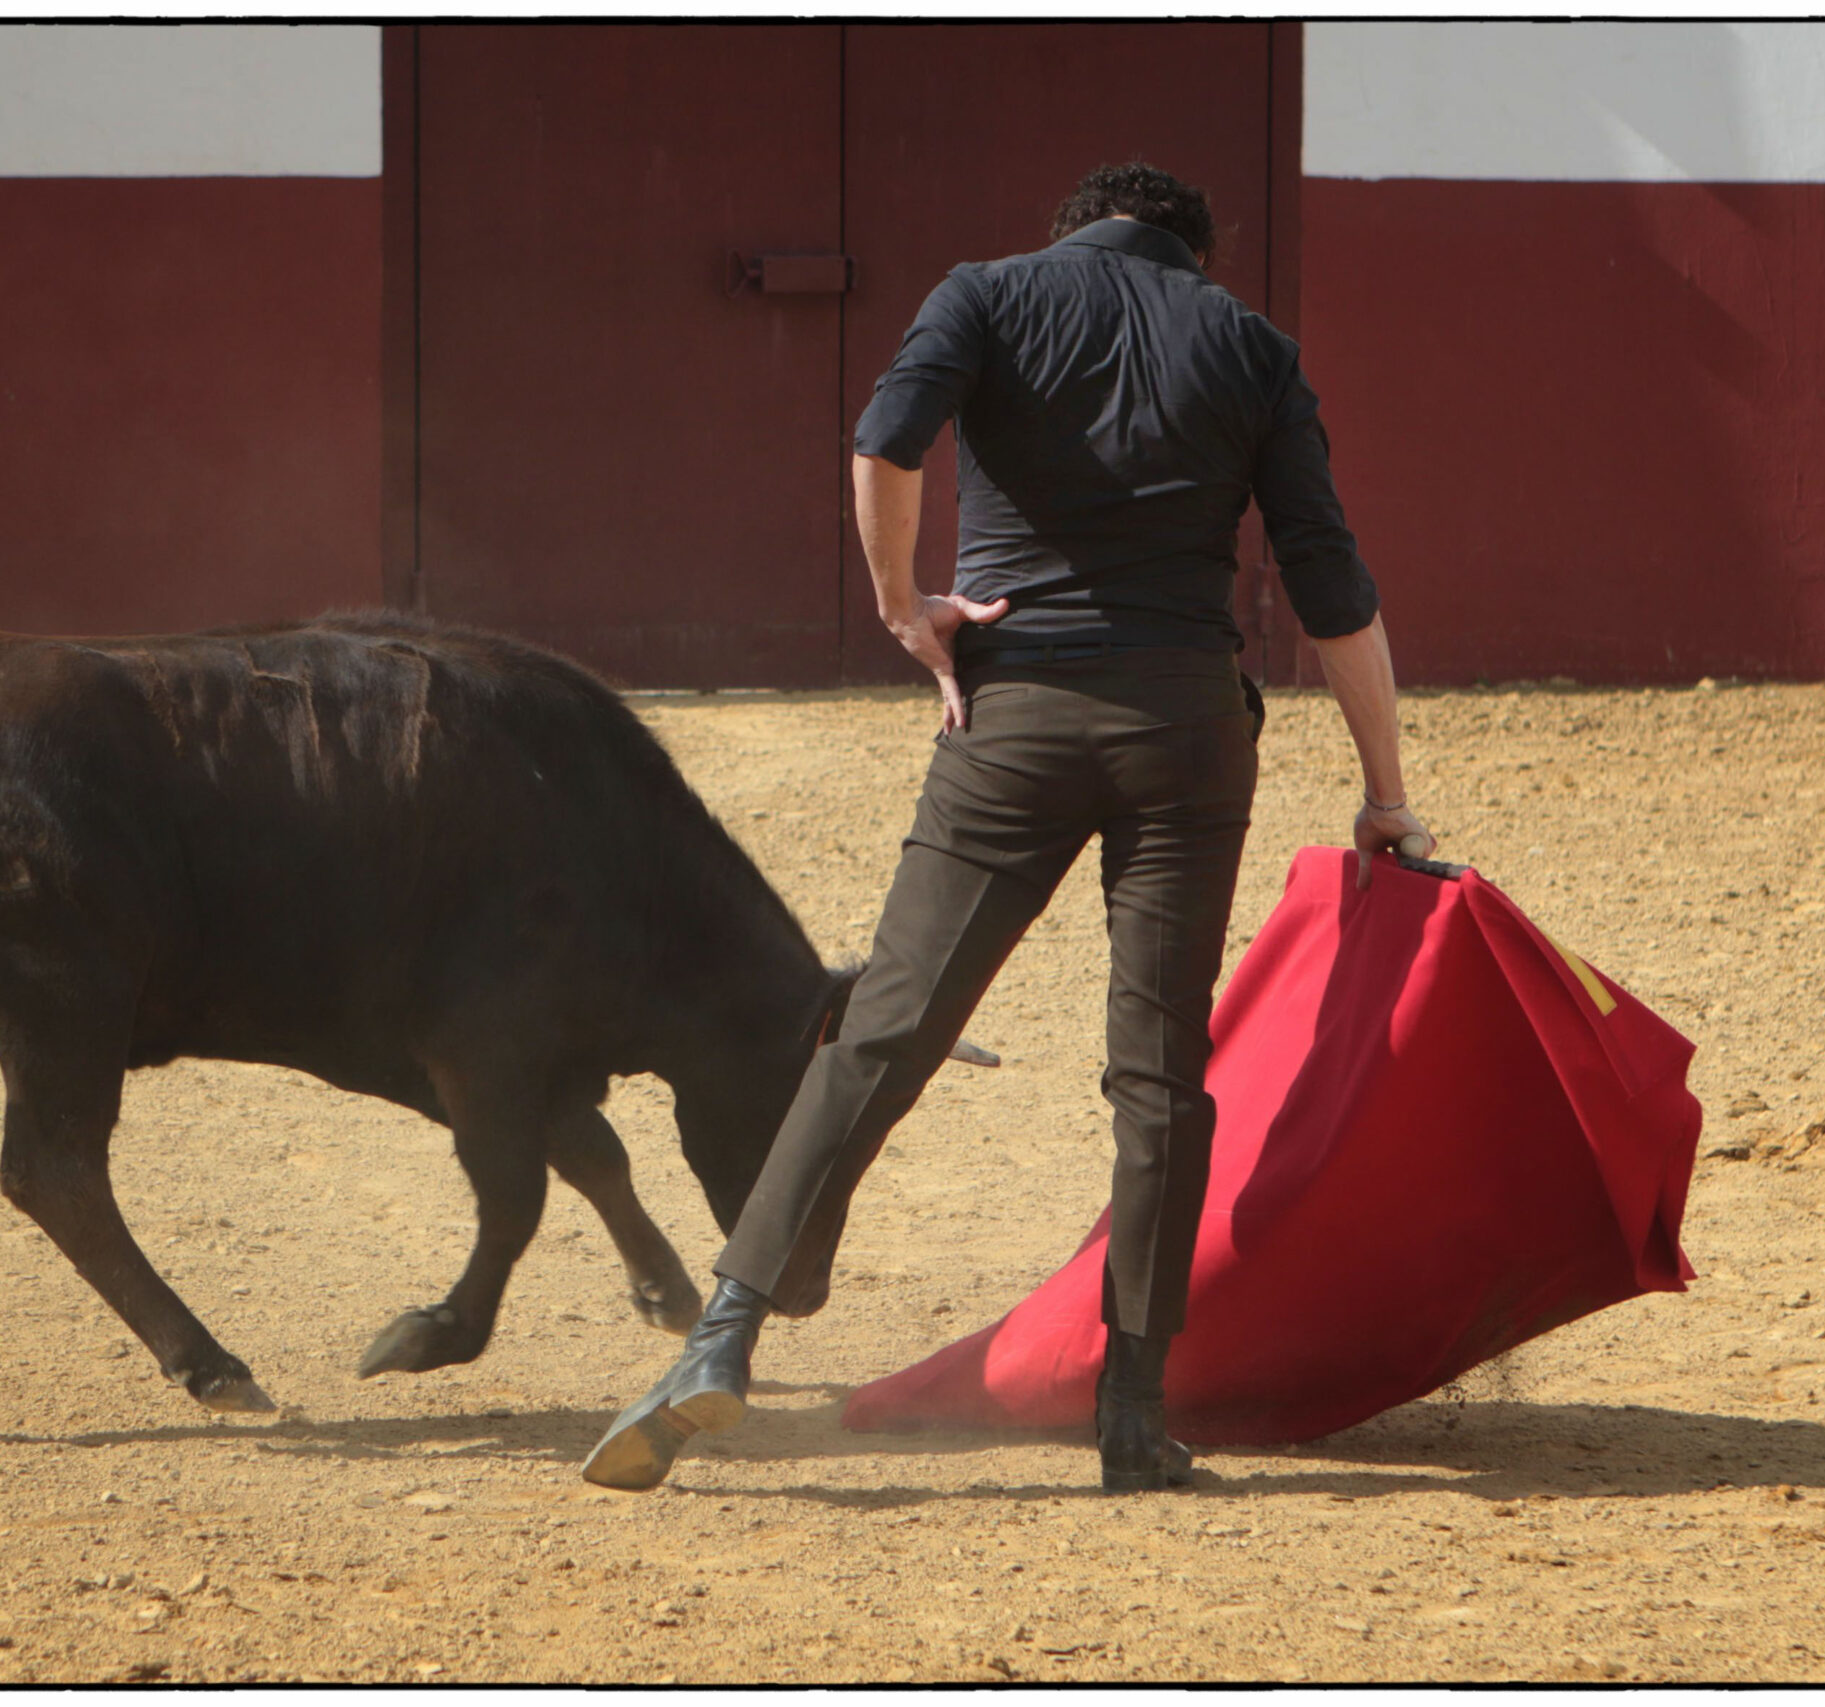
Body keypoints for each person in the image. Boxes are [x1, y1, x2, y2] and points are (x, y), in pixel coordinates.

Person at [583, 161, 1434, 1494]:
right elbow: (1331, 586)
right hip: (1186, 731)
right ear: (1190, 256)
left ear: (1074, 233)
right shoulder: (1254, 350)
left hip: (1013, 716)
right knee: (1158, 1078)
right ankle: (1133, 1420)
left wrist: (905, 609)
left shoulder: (987, 296)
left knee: (888, 1024)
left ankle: (721, 1342)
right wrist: (1386, 797)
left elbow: (882, 442)